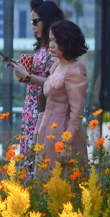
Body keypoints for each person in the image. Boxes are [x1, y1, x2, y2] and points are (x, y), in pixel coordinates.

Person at [5, 0, 64, 155]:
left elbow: (55, 83)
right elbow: (36, 76)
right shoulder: (42, 47)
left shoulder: (56, 48)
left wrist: (28, 75)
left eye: (35, 22)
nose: (32, 26)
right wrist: (20, 68)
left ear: (48, 20)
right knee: (29, 158)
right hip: (31, 110)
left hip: (44, 112)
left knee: (39, 159)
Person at [36, 20, 89, 168]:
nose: (51, 45)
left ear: (68, 41)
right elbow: (45, 106)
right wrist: (37, 134)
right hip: (46, 129)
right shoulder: (55, 66)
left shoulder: (75, 70)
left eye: (56, 40)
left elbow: (76, 112)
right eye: (51, 40)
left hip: (63, 133)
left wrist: (67, 142)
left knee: (62, 179)